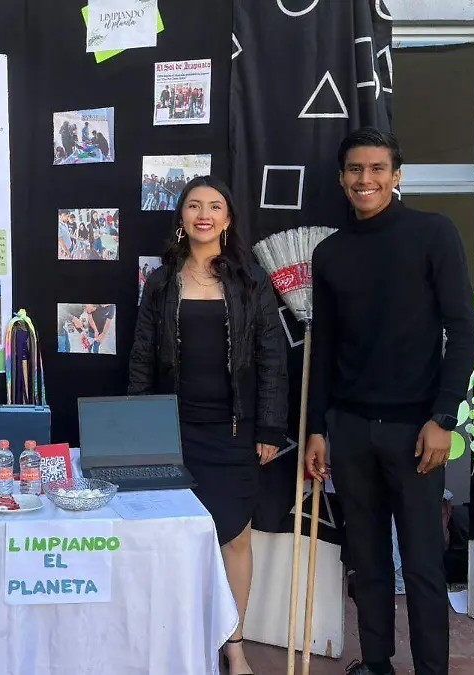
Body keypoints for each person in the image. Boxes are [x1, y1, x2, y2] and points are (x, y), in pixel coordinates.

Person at [305, 128, 474, 675]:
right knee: (367, 561)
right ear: (341, 178)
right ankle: (376, 663)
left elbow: (464, 332)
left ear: (396, 176)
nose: (366, 180)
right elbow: (324, 347)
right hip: (351, 429)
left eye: (378, 169)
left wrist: (443, 417)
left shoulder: (434, 234)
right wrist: (316, 427)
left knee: (424, 566)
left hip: (417, 432)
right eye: (355, 170)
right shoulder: (329, 252)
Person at [128, 175, 288, 675]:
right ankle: (179, 639)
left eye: (214, 206)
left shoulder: (250, 280)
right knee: (175, 537)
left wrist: (269, 429)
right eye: (194, 205)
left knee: (236, 538)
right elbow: (140, 359)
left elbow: (271, 359)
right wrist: (136, 427)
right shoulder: (160, 282)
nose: (203, 214)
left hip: (234, 431)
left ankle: (233, 646)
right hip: (172, 431)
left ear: (228, 218)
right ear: (181, 218)